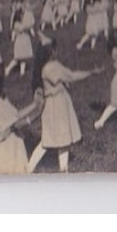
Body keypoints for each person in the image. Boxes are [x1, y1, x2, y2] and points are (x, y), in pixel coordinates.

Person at [26, 38, 93, 173]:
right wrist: (91, 72)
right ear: (51, 52)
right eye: (55, 49)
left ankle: (63, 169)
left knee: (62, 138)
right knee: (48, 140)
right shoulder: (51, 67)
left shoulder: (44, 66)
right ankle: (28, 168)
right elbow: (71, 76)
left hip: (59, 104)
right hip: (55, 106)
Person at [0, 64, 39, 174]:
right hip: (2, 149)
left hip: (13, 144)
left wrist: (35, 104)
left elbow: (15, 114)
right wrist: (34, 116)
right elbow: (14, 124)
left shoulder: (1, 98)